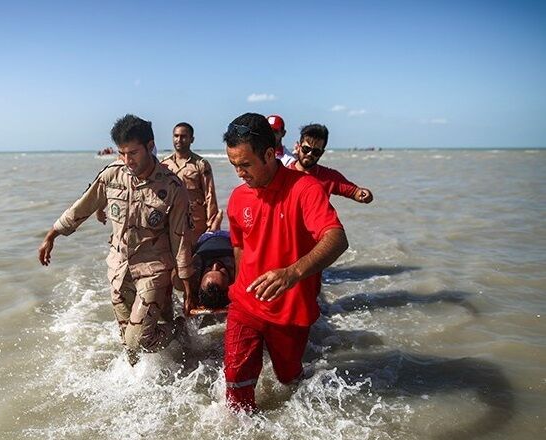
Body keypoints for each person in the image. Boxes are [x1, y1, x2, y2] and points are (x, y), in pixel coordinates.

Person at [37, 114, 195, 366]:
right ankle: (146, 383)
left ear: (150, 146)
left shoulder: (172, 187)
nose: (127, 160)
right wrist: (52, 234)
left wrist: (187, 288)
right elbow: (83, 207)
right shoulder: (112, 175)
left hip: (153, 272)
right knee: (128, 347)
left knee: (139, 340)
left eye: (133, 153)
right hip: (119, 270)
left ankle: (177, 330)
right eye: (122, 153)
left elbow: (182, 240)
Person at [223, 113, 349, 412]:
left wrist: (292, 274)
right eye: (233, 166)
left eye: (245, 164)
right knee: (236, 383)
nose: (239, 173)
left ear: (269, 154)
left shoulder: (305, 189)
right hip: (246, 305)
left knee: (289, 379)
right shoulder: (238, 198)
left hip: (291, 310)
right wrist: (240, 289)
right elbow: (240, 246)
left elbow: (337, 239)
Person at [161, 122, 219, 246]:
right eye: (176, 136)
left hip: (196, 224)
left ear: (191, 139)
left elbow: (209, 195)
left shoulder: (201, 164)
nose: (179, 140)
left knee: (195, 261)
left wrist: (212, 225)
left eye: (183, 136)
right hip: (171, 222)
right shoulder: (164, 165)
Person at [289, 123, 373, 204]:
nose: (310, 154)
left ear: (322, 153)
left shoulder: (328, 177)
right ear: (298, 147)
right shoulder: (283, 173)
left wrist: (365, 195)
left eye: (316, 151)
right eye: (306, 149)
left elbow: (355, 192)